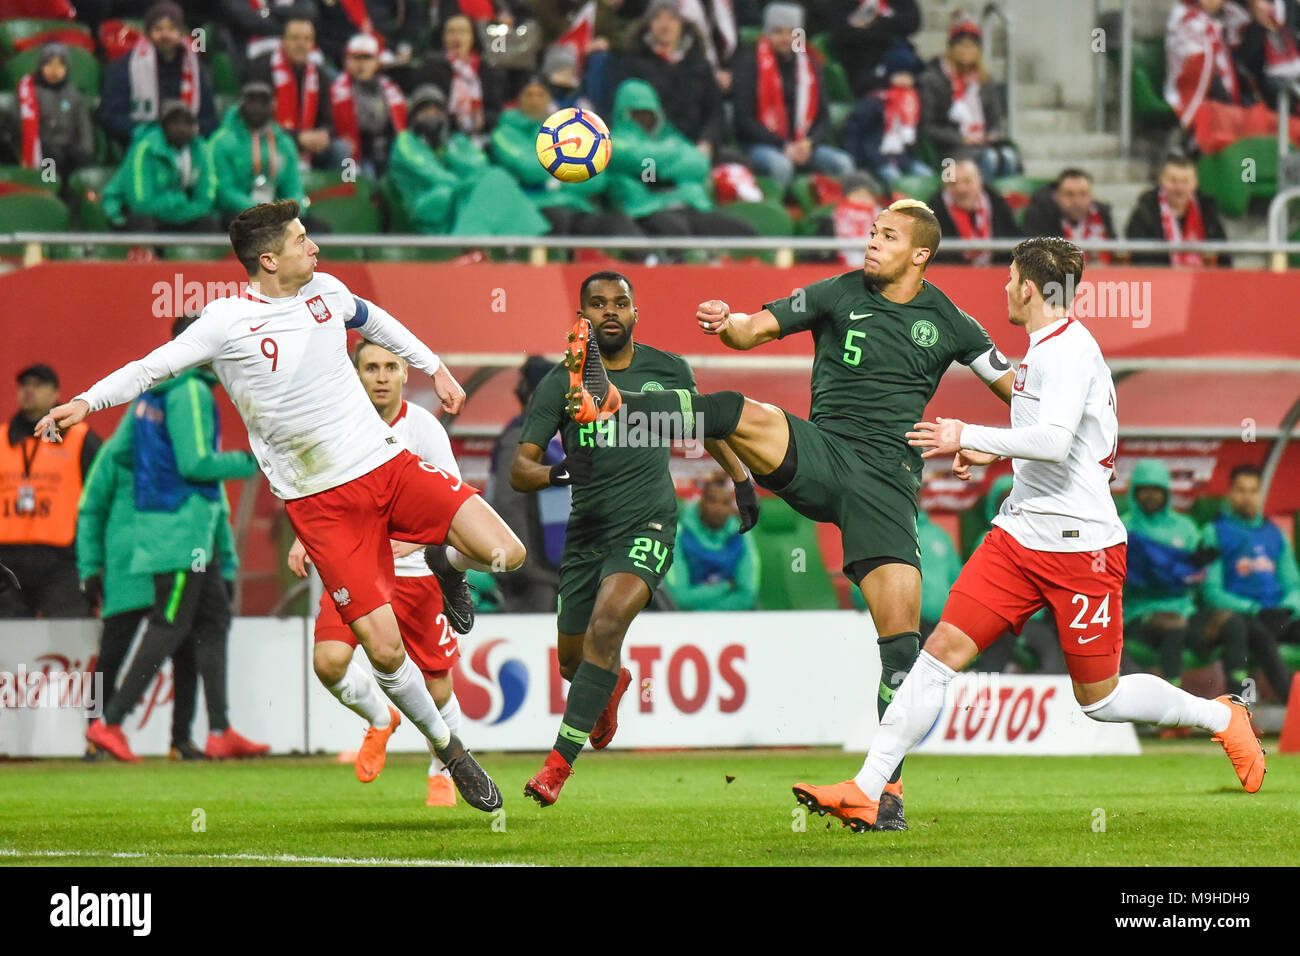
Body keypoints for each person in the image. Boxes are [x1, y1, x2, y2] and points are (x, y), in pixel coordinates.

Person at [35, 199, 524, 811]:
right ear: (269, 259)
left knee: (507, 553)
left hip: (387, 465)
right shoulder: (225, 321)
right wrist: (85, 402)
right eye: (301, 240)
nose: (314, 247)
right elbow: (149, 369)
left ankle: (446, 565)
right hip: (322, 505)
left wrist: (437, 368)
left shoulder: (327, 291)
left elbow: (379, 322)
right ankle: (451, 751)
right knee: (383, 651)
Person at [563, 200, 1018, 829]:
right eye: (872, 232)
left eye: (888, 236)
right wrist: (728, 323)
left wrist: (978, 439)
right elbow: (754, 329)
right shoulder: (837, 291)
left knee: (901, 650)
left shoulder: (953, 323)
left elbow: (1017, 393)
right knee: (732, 408)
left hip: (887, 487)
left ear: (920, 253)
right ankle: (619, 406)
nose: (872, 242)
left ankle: (885, 794)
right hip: (822, 455)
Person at [788, 237, 1266, 832]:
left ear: (1030, 289)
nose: (1003, 288)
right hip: (1019, 536)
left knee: (1102, 700)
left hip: (1083, 547)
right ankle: (868, 788)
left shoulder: (1066, 353)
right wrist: (989, 455)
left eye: (1010, 278)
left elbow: (1056, 440)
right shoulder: (1041, 351)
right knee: (936, 658)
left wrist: (969, 434)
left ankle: (1222, 719)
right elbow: (1046, 446)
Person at [511, 271, 755, 805]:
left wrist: (741, 480)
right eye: (597, 305)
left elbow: (707, 426)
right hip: (586, 535)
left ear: (635, 312)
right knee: (574, 665)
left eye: (620, 302)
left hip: (649, 524)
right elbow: (519, 470)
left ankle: (556, 767)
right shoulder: (560, 383)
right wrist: (559, 472)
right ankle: (612, 684)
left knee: (607, 622)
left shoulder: (668, 370)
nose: (611, 311)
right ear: (583, 318)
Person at [288, 340, 472, 806]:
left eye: (391, 366)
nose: (382, 376)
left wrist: (403, 542)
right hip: (353, 565)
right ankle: (379, 717)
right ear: (356, 373)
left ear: (406, 374)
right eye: (371, 367)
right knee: (328, 663)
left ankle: (443, 768)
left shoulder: (425, 429)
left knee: (435, 684)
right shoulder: (336, 428)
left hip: (415, 576)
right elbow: (316, 495)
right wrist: (302, 537)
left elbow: (453, 509)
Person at [77, 314, 257, 761]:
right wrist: (253, 461)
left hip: (172, 530)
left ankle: (218, 730)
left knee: (212, 620)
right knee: (171, 624)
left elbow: (126, 460)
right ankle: (112, 722)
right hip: (183, 531)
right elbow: (196, 466)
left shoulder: (148, 397)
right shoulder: (191, 390)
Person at [76, 368, 205, 762]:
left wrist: (224, 564)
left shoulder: (175, 459)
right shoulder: (119, 457)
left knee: (180, 651)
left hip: (156, 564)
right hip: (129, 570)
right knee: (122, 653)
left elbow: (212, 512)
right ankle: (104, 735)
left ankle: (177, 739)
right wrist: (90, 567)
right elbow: (90, 510)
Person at [1122, 457, 1241, 694]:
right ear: (1134, 492)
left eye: (1157, 490)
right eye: (1144, 489)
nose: (1151, 496)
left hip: (1185, 610)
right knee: (1173, 625)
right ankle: (1169, 712)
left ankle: (1239, 704)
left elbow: (1199, 574)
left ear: (1166, 492)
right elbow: (1131, 577)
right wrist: (1171, 572)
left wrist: (1195, 568)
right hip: (1140, 614)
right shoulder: (1122, 528)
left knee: (1231, 622)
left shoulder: (1185, 527)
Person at [0, 364, 101, 618]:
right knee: (8, 641)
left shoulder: (80, 438)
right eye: (24, 385)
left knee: (70, 635)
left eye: (38, 384)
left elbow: (102, 497)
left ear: (56, 392)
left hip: (63, 561)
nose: (29, 391)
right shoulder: (1, 439)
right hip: (7, 560)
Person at [606, 79, 756, 245]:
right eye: (638, 113)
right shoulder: (613, 141)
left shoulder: (668, 137)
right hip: (644, 210)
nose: (644, 118)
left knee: (741, 231)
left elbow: (699, 163)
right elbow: (635, 158)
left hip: (687, 205)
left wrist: (656, 165)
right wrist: (674, 158)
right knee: (677, 233)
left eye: (649, 113)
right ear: (625, 113)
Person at [489, 75, 639, 241]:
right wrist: (570, 171)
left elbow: (597, 177)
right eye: (529, 95)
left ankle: (653, 262)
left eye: (540, 95)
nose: (535, 100)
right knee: (558, 219)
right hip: (533, 206)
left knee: (616, 222)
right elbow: (527, 168)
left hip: (575, 204)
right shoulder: (505, 133)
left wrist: (555, 181)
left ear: (549, 99)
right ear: (519, 100)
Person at [389, 85, 550, 237]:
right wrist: (463, 183)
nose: (432, 114)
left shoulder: (455, 142)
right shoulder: (406, 141)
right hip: (424, 207)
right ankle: (469, 245)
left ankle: (527, 243)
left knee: (497, 177)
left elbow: (481, 167)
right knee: (463, 192)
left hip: (456, 203)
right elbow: (431, 173)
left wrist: (449, 153)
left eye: (437, 110)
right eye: (424, 110)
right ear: (413, 116)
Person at [1201, 464, 1299, 703]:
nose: (1248, 497)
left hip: (1279, 615)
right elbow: (1211, 591)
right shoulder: (1215, 532)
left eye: (1253, 491)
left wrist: (1287, 608)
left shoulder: (1275, 534)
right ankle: (1295, 713)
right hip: (1242, 617)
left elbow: (1293, 584)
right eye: (1241, 490)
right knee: (1262, 638)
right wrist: (1253, 608)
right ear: (1230, 493)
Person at [732, 2, 856, 190]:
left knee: (843, 163)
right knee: (780, 166)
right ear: (767, 33)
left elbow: (822, 117)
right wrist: (783, 145)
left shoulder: (811, 66)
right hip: (761, 144)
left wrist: (807, 144)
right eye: (778, 32)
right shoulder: (750, 64)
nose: (785, 38)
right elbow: (744, 119)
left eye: (791, 32)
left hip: (803, 144)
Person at [484, 356, 566, 614]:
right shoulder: (520, 438)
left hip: (550, 572)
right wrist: (524, 567)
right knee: (533, 645)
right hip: (533, 577)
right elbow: (507, 502)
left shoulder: (547, 438)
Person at [610, 0, 725, 156]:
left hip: (695, 147)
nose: (665, 25)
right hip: (650, 148)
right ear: (649, 24)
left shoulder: (699, 64)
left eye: (671, 18)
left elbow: (715, 112)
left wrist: (707, 143)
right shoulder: (632, 63)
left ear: (681, 24)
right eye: (658, 18)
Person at [98, 1, 218, 147]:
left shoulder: (196, 70)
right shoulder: (126, 66)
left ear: (181, 33)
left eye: (172, 29)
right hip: (141, 145)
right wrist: (149, 133)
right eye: (158, 29)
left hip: (188, 145)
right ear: (148, 33)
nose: (165, 35)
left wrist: (188, 131)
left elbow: (210, 118)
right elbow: (110, 115)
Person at [918, 12, 1019, 182]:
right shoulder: (932, 80)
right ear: (951, 48)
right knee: (988, 159)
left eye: (972, 45)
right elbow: (927, 127)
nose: (966, 50)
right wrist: (961, 139)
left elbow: (994, 121)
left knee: (1008, 156)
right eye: (961, 45)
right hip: (948, 152)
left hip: (981, 144)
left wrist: (991, 134)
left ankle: (996, 204)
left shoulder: (985, 81)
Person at [101, 100, 219, 234]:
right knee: (144, 223)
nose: (181, 128)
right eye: (175, 123)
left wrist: (182, 212)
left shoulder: (201, 149)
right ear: (162, 125)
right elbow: (140, 204)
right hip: (127, 212)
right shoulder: (145, 149)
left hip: (177, 211)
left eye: (187, 123)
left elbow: (206, 201)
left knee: (208, 222)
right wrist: (177, 200)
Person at [245, 13, 341, 171]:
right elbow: (257, 120)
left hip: (310, 144)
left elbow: (329, 120)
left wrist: (323, 135)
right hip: (270, 142)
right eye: (295, 38)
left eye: (307, 39)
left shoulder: (319, 74)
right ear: (283, 41)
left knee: (340, 149)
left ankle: (334, 196)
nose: (301, 44)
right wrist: (298, 139)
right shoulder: (261, 69)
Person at [209, 82, 305, 224]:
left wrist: (289, 210)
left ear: (273, 106)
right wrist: (258, 210)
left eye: (263, 102)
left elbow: (294, 188)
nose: (257, 108)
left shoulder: (284, 143)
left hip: (275, 215)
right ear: (240, 105)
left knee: (317, 227)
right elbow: (224, 191)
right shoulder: (222, 141)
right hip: (237, 214)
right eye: (251, 101)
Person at [663, 471, 760, 611]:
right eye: (712, 501)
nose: (718, 508)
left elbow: (747, 595)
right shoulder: (679, 534)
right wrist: (726, 586)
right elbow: (679, 597)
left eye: (725, 503)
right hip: (685, 623)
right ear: (702, 502)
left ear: (731, 508)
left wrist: (710, 612)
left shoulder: (742, 535)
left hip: (731, 622)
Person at [840, 41, 933, 187]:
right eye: (899, 74)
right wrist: (857, 161)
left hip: (903, 158)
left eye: (908, 75)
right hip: (876, 159)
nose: (904, 80)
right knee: (897, 181)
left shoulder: (913, 101)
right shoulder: (874, 100)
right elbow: (854, 131)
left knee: (928, 177)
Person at [410, 13, 507, 147]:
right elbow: (426, 109)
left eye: (462, 32)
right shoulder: (431, 67)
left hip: (484, 136)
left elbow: (495, 110)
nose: (457, 37)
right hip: (444, 138)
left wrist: (480, 120)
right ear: (443, 37)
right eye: (451, 31)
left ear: (472, 37)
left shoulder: (487, 69)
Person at [1125, 153, 1230, 267]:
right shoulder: (1144, 214)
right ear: (1161, 180)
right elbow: (1140, 261)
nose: (1179, 188)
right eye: (1173, 181)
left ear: (1195, 183)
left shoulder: (1208, 212)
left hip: (1201, 281)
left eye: (1186, 181)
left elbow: (1224, 259)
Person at [329, 33, 407, 177]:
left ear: (377, 61)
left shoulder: (390, 89)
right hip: (356, 156)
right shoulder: (336, 91)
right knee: (365, 178)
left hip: (387, 151)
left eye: (367, 58)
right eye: (356, 58)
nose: (361, 64)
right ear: (346, 61)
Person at [16, 43, 94, 184]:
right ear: (41, 66)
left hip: (69, 147)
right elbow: (24, 127)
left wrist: (85, 149)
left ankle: (73, 197)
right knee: (51, 161)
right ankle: (49, 191)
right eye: (49, 65)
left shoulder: (73, 94)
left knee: (81, 158)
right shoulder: (30, 94)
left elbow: (84, 126)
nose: (54, 71)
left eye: (60, 66)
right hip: (45, 151)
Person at [928, 158, 1019, 266]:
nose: (961, 189)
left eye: (967, 181)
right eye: (953, 184)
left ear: (979, 181)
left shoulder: (998, 205)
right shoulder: (933, 214)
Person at [1021, 168, 1117, 266]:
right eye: (1069, 194)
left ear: (1091, 196)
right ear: (1057, 196)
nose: (1077, 201)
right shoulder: (1041, 217)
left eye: (1083, 194)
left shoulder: (1103, 216)